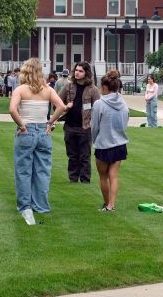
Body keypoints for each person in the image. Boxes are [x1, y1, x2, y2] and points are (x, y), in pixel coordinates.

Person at [8, 58, 67, 226]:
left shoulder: (20, 89)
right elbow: (61, 106)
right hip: (43, 131)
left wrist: (21, 125)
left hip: (26, 131)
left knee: (23, 171)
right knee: (42, 171)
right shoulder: (47, 89)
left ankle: (25, 206)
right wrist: (50, 122)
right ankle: (41, 205)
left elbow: (12, 109)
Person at [57, 61, 101, 183]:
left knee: (84, 156)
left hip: (85, 127)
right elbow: (57, 103)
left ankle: (85, 180)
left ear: (86, 73)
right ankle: (73, 179)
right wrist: (66, 106)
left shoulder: (93, 90)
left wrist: (93, 122)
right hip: (70, 126)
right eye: (76, 70)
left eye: (80, 71)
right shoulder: (68, 87)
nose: (77, 73)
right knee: (72, 155)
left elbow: (99, 108)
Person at [91, 70, 129, 212]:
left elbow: (94, 127)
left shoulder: (99, 104)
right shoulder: (123, 104)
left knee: (103, 177)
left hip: (103, 144)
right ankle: (111, 205)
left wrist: (94, 140)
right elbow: (125, 122)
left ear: (105, 87)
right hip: (120, 143)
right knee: (114, 176)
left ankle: (108, 204)